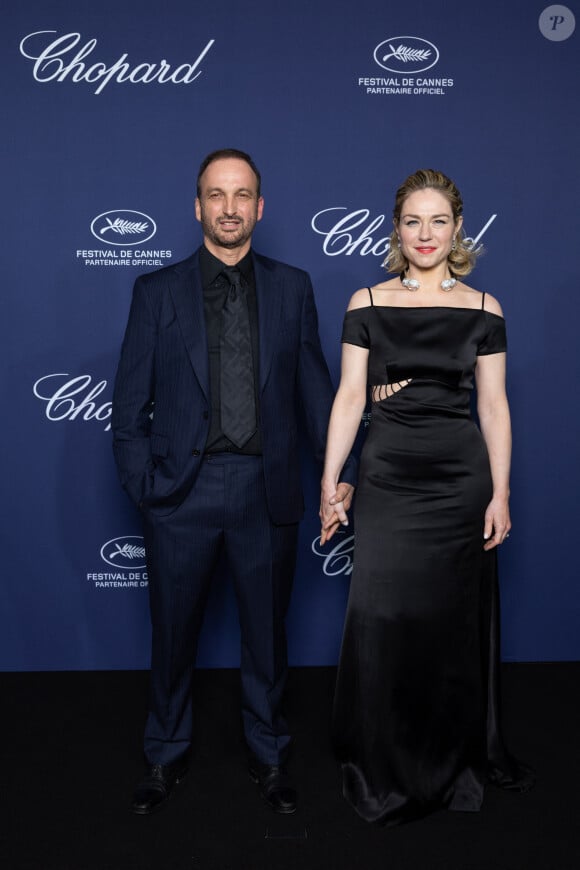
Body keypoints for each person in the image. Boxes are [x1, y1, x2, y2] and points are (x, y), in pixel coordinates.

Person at [112, 148, 356, 815]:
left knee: (267, 637)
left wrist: (340, 477)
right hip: (180, 496)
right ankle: (163, 755)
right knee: (172, 635)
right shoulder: (155, 292)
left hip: (264, 490)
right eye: (216, 195)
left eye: (242, 195)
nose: (229, 208)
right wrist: (147, 489)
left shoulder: (292, 287)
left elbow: (314, 394)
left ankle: (271, 755)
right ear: (198, 207)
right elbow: (128, 406)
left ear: (260, 207)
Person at [319, 169, 533, 825]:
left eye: (438, 221)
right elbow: (351, 397)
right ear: (396, 229)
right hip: (386, 475)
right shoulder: (366, 301)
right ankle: (383, 759)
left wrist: (500, 492)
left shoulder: (484, 309)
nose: (425, 234)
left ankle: (452, 757)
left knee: (448, 625)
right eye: (413, 221)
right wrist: (331, 482)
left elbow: (493, 408)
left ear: (458, 229)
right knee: (384, 617)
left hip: (458, 480)